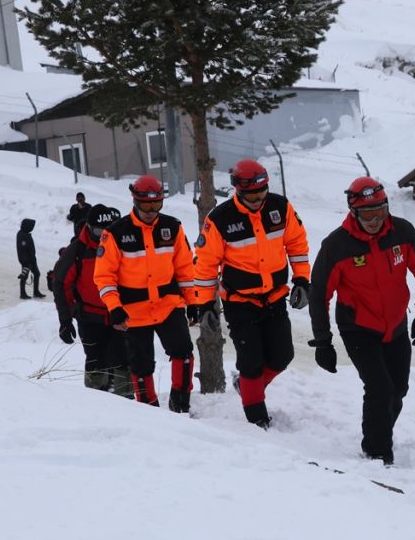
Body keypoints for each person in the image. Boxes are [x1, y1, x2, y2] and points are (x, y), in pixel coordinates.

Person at [308, 177, 415, 465]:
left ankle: (378, 433)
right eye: (367, 215)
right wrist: (323, 341)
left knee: (398, 390)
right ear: (353, 212)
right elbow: (319, 295)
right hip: (358, 328)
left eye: (380, 212)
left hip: (396, 324)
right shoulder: (336, 246)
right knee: (380, 390)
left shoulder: (402, 233)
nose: (374, 220)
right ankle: (377, 454)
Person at [193, 159, 311, 429]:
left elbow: (297, 244)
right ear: (238, 190)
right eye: (252, 196)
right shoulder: (220, 220)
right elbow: (205, 266)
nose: (258, 200)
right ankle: (257, 420)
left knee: (282, 356)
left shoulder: (281, 208)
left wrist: (302, 280)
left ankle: (246, 387)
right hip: (239, 303)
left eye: (262, 193)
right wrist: (205, 305)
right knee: (251, 363)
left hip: (274, 297)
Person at [94, 175, 197, 412]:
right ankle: (149, 409)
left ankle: (181, 402)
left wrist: (193, 302)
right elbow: (104, 277)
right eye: (145, 206)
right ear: (135, 202)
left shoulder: (173, 227)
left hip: (168, 304)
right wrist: (114, 307)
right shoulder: (115, 233)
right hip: (133, 310)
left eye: (156, 205)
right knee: (141, 365)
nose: (151, 211)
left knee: (184, 352)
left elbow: (184, 268)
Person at [54, 204, 132, 398]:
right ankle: (96, 400)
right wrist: (65, 320)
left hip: (120, 315)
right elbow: (61, 283)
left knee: (124, 360)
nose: (104, 236)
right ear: (88, 227)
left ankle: (127, 400)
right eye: (99, 232)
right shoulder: (78, 250)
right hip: (90, 317)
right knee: (96, 361)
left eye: (108, 231)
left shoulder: (124, 244)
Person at [17, 218, 46, 299]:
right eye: (31, 226)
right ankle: (23, 293)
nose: (32, 228)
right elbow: (23, 250)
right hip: (26, 260)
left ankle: (36, 292)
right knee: (24, 276)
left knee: (36, 274)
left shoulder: (25, 233)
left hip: (31, 259)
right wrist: (26, 261)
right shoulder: (23, 236)